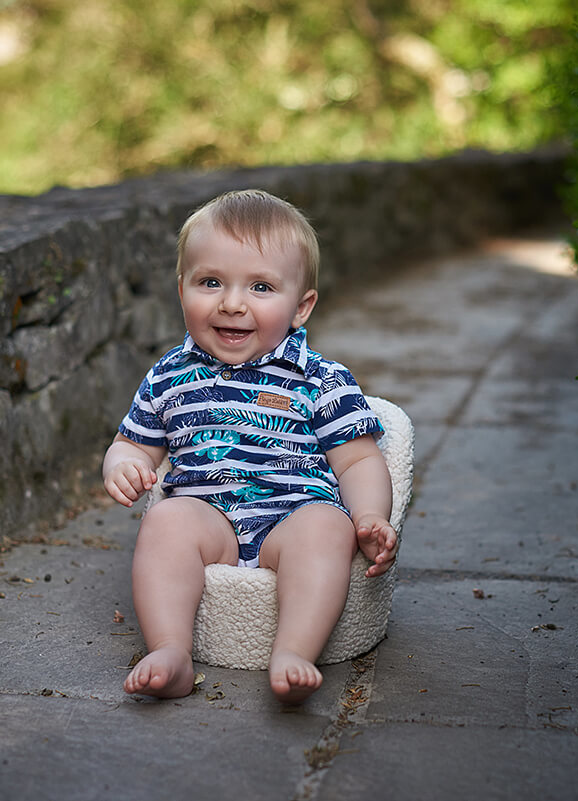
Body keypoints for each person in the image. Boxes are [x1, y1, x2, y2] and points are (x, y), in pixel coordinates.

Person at [102, 189, 398, 704]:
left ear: (301, 306)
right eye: (210, 282)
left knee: (328, 528)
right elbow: (134, 443)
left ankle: (294, 650)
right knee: (165, 522)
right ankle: (170, 650)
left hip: (292, 516)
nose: (232, 303)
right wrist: (124, 464)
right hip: (207, 516)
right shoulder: (169, 376)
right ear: (182, 290)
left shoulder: (320, 379)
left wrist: (371, 515)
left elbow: (359, 457)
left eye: (260, 287)